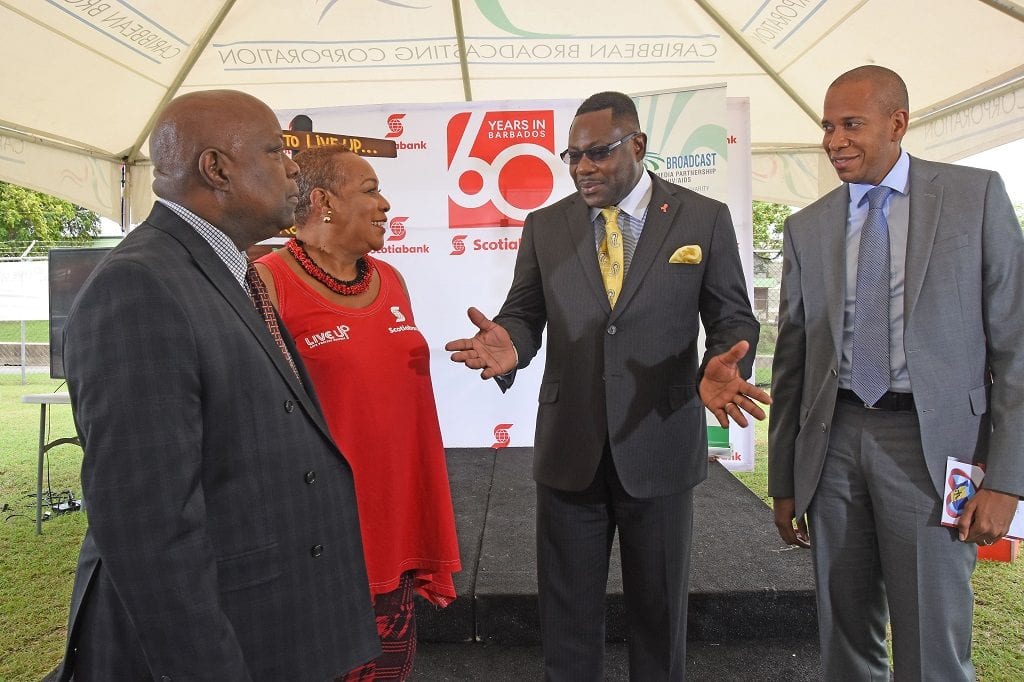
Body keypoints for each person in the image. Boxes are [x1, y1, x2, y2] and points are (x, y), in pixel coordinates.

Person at [445, 91, 769, 681]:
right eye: (572, 156)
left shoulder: (702, 218)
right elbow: (523, 311)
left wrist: (726, 362)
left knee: (659, 618)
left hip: (662, 443)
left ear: (637, 145)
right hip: (571, 451)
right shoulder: (546, 226)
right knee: (567, 623)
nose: (581, 167)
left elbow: (733, 317)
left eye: (597, 153)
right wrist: (513, 343)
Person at [56, 90, 379, 680]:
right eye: (275, 150)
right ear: (217, 169)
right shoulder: (139, 289)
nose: (292, 168)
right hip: (220, 645)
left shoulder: (223, 270)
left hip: (269, 623)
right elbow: (148, 527)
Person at [768, 65, 1024, 680]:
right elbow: (793, 364)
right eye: (828, 127)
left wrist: (1008, 481)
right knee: (845, 637)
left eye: (851, 124)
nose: (835, 141)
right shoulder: (808, 226)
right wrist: (785, 480)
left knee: (931, 643)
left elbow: (1016, 347)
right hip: (834, 447)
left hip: (933, 450)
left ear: (898, 123)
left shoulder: (975, 196)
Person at [254, 144, 461, 681]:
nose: (386, 204)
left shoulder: (390, 280)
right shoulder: (267, 282)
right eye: (370, 191)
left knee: (388, 669)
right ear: (322, 202)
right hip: (323, 535)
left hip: (395, 519)